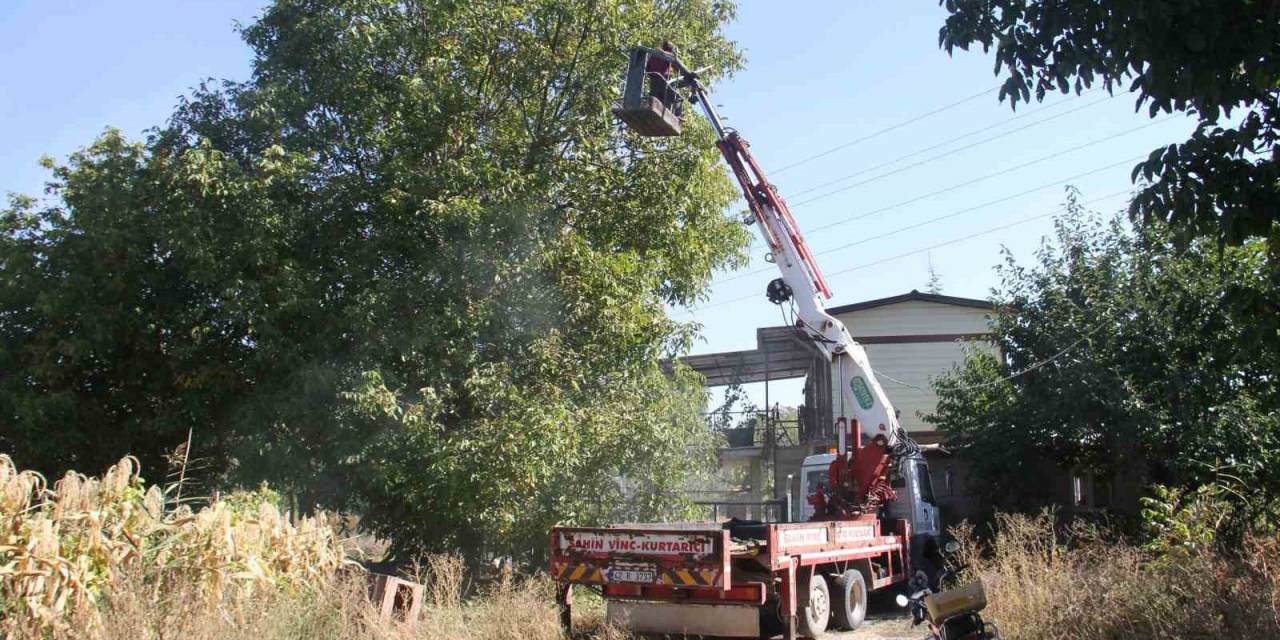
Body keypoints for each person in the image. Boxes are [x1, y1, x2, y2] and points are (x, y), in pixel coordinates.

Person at [645, 40, 681, 115]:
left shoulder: (653, 55)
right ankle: (678, 117)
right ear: (671, 49)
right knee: (677, 98)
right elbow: (678, 68)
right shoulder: (669, 55)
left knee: (655, 102)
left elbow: (647, 69)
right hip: (663, 81)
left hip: (653, 83)